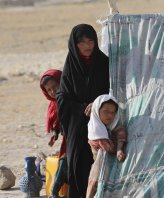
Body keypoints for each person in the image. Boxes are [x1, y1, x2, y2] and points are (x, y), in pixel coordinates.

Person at [56, 24, 110, 198]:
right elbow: (62, 97)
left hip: (102, 125)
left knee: (101, 169)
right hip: (77, 128)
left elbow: (113, 92)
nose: (87, 46)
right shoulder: (70, 66)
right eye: (82, 42)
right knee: (78, 167)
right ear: (74, 44)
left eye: (91, 41)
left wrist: (97, 104)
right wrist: (82, 107)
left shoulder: (104, 63)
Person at [86, 94, 127, 198]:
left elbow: (121, 131)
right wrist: (117, 148)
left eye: (113, 113)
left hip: (110, 169)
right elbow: (109, 148)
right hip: (100, 169)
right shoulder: (95, 129)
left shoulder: (111, 125)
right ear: (96, 110)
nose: (110, 115)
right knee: (95, 187)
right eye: (106, 111)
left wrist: (119, 149)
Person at [40, 69, 68, 198]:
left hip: (79, 135)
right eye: (49, 90)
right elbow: (57, 124)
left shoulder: (70, 97)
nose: (53, 91)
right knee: (64, 161)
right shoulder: (53, 105)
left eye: (55, 86)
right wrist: (54, 135)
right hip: (67, 139)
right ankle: (54, 192)